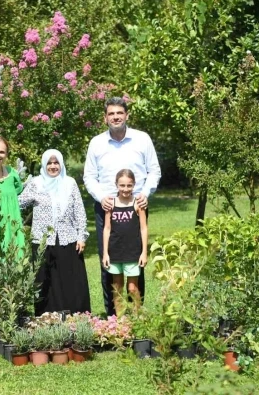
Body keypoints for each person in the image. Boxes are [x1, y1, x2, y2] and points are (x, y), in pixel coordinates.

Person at [84, 97, 161, 315]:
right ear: (105, 117)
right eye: (111, 114)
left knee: (137, 259)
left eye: (119, 113)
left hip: (136, 208)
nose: (116, 117)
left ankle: (137, 316)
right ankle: (112, 317)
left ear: (127, 115)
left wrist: (145, 194)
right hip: (107, 208)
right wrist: (101, 197)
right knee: (108, 262)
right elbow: (89, 176)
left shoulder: (142, 139)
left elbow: (154, 170)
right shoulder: (97, 143)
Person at [18, 149, 91, 315]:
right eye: (49, 163)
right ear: (44, 164)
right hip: (43, 241)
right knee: (45, 280)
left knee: (70, 280)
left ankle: (75, 317)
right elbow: (18, 202)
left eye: (56, 162)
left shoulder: (70, 183)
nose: (53, 166)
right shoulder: (36, 183)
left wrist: (81, 236)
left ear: (61, 164)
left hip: (69, 239)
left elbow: (79, 211)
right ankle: (47, 318)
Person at [101, 169, 148, 312]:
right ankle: (120, 322)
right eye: (122, 185)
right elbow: (107, 229)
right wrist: (105, 253)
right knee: (118, 287)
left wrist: (144, 252)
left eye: (129, 185)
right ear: (116, 185)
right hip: (115, 252)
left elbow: (144, 229)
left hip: (133, 252)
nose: (125, 189)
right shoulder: (111, 204)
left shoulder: (138, 204)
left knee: (132, 288)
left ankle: (137, 318)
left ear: (134, 185)